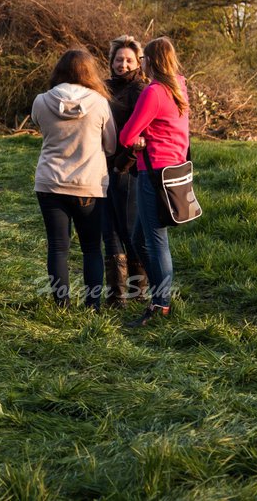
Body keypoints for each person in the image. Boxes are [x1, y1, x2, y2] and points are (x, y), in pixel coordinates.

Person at [31, 48, 116, 311]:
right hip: (88, 185)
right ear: (90, 72)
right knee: (91, 248)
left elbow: (40, 126)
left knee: (58, 247)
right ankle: (93, 304)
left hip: (50, 183)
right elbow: (111, 145)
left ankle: (62, 305)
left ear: (59, 71)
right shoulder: (100, 103)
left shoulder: (41, 101)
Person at [119, 36, 190, 327]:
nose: (141, 63)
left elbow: (125, 136)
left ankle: (161, 303)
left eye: (143, 58)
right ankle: (161, 292)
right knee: (139, 239)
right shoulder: (180, 86)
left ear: (152, 61)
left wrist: (139, 140)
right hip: (175, 170)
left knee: (156, 240)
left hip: (155, 173)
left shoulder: (155, 92)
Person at [103, 35, 149, 306]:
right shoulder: (103, 88)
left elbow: (141, 133)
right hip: (102, 166)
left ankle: (138, 292)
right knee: (108, 230)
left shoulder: (140, 90)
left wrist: (124, 162)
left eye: (128, 60)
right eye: (118, 59)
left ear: (138, 62)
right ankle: (117, 296)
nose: (123, 64)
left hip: (128, 170)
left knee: (129, 229)